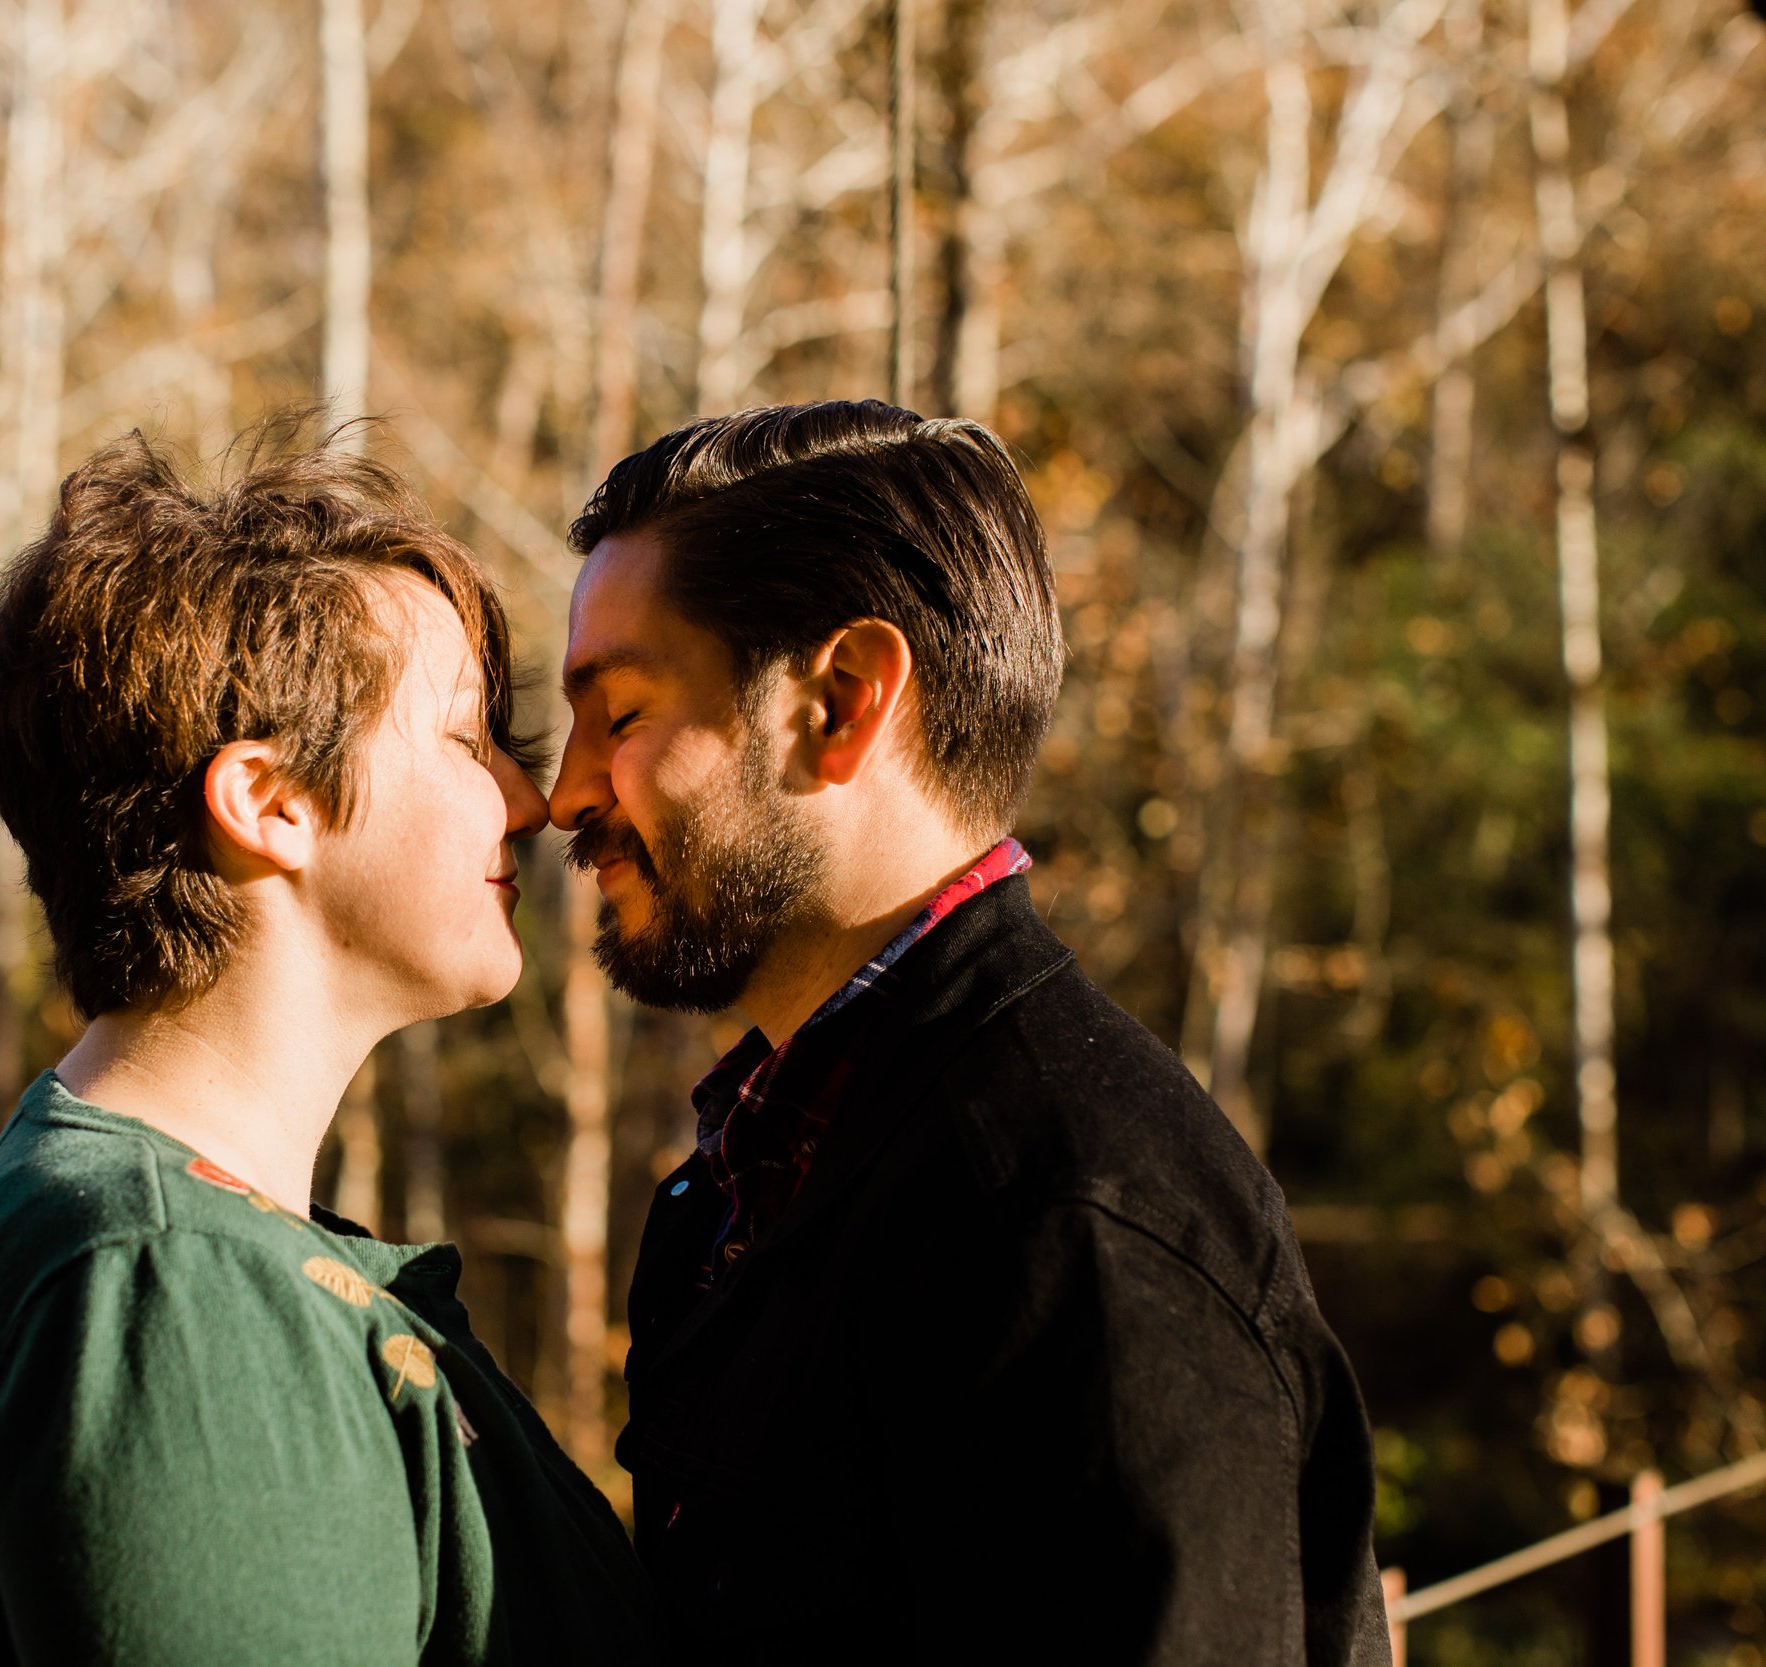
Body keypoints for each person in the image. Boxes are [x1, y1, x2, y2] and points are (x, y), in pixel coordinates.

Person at [550, 401, 1390, 1665]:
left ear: (838, 702)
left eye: (618, 715)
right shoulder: (739, 1193)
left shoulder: (1071, 1220)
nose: (564, 790)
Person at [0, 427, 660, 1665]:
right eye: (466, 739)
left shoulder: (158, 1242)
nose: (531, 796)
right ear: (266, 801)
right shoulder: (169, 1293)